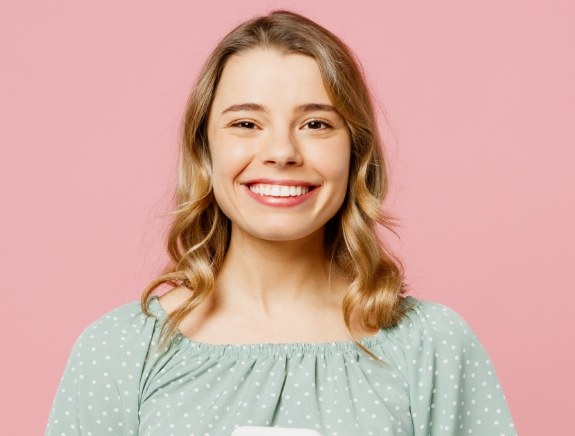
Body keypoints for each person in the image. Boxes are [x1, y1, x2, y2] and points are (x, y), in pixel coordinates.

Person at [45, 10, 516, 436]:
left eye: (316, 124)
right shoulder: (118, 351)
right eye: (246, 124)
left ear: (355, 152)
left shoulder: (433, 346)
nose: (282, 153)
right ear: (204, 149)